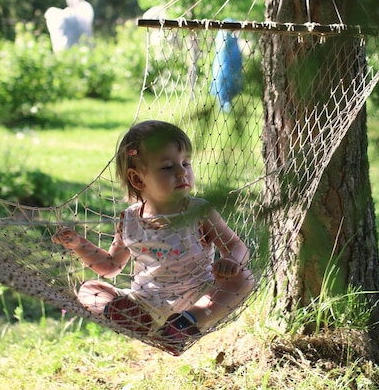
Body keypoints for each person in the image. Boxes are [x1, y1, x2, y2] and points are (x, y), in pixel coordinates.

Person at [52, 120, 255, 355]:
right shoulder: (129, 219)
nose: (182, 172)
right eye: (168, 167)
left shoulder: (199, 213)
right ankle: (136, 321)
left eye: (186, 163)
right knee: (89, 290)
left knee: (244, 279)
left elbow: (235, 245)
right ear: (138, 179)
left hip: (200, 295)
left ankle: (185, 325)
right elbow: (110, 266)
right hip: (146, 302)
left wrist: (232, 260)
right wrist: (79, 245)